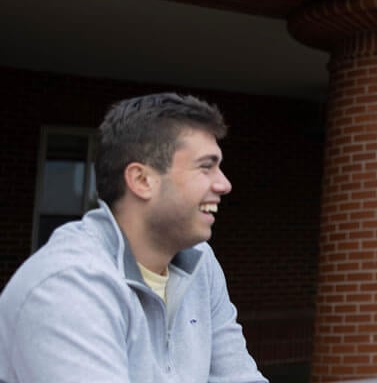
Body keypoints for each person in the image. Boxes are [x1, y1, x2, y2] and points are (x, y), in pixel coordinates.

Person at [0, 93, 265, 382]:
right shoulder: (66, 285)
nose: (224, 184)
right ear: (141, 180)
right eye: (206, 166)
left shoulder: (200, 261)